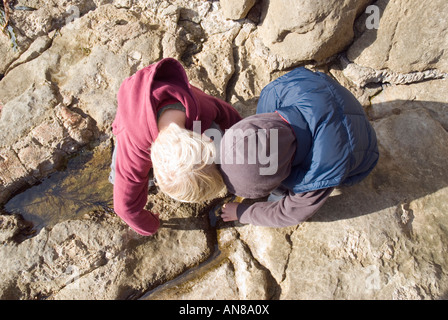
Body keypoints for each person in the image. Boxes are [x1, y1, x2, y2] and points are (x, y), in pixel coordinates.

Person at [219, 66, 379, 227]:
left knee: (284, 186)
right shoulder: (274, 94)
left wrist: (243, 213)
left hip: (362, 154)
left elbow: (288, 214)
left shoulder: (322, 169)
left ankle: (276, 190)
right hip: (324, 99)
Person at [110, 58, 241, 236]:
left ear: (203, 139)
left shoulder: (201, 107)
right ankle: (124, 177)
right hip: (131, 119)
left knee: (219, 132)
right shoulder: (133, 150)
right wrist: (150, 226)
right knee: (121, 176)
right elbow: (125, 208)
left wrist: (242, 138)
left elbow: (226, 113)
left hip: (173, 98)